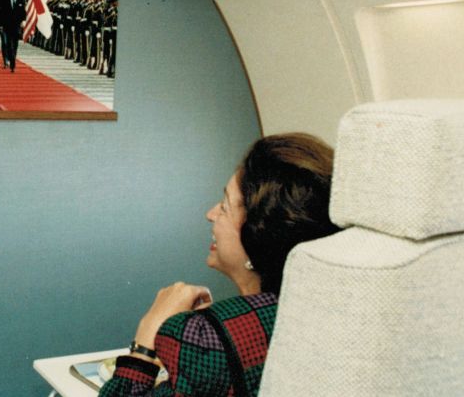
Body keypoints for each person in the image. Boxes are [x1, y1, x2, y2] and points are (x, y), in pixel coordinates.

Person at [100, 133, 340, 397]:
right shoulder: (323, 313)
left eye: (225, 206)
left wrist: (145, 341)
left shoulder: (202, 338)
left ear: (258, 234)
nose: (211, 214)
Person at [1, 0, 25, 72]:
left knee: (15, 46)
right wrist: (1, 25)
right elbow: (2, 14)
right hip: (7, 27)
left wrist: (23, 20)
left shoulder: (20, 1)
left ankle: (12, 61)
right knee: (9, 45)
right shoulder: (5, 1)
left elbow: (23, 13)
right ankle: (12, 64)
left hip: (17, 28)